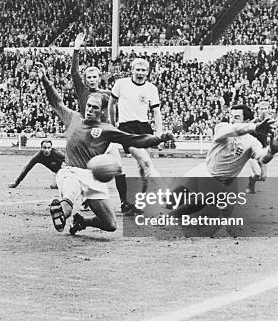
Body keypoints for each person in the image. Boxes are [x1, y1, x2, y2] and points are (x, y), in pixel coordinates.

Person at [35, 62, 174, 235]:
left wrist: (159, 138)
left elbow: (138, 140)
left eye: (94, 107)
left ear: (102, 111)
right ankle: (60, 213)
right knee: (69, 197)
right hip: (70, 171)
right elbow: (56, 101)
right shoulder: (73, 118)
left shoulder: (107, 130)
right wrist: (45, 80)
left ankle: (83, 221)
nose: (89, 109)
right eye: (88, 105)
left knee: (110, 225)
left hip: (92, 177)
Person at [168, 104, 278, 218]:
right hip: (203, 170)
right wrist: (254, 127)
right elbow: (235, 129)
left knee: (201, 200)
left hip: (219, 181)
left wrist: (271, 151)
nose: (231, 120)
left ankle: (170, 216)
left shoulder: (252, 142)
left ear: (246, 120)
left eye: (236, 117)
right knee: (169, 202)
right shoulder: (222, 127)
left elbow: (262, 158)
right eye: (231, 116)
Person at [70, 32, 125, 210]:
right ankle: (87, 199)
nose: (92, 80)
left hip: (105, 137)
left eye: (95, 77)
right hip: (87, 137)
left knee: (118, 168)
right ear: (86, 80)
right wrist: (76, 49)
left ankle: (125, 202)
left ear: (99, 78)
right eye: (89, 77)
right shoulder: (82, 92)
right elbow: (74, 72)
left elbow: (117, 107)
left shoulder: (108, 95)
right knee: (88, 168)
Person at [108, 58, 168, 214]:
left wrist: (159, 135)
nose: (140, 73)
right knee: (147, 163)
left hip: (144, 127)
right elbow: (111, 104)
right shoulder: (121, 84)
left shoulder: (151, 88)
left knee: (143, 168)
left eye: (143, 70)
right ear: (132, 70)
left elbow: (156, 112)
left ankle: (139, 202)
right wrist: (113, 125)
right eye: (138, 70)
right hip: (127, 128)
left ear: (147, 72)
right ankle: (167, 197)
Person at [245, 101, 273, 193]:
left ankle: (251, 180)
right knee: (257, 173)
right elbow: (245, 134)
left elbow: (273, 135)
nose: (263, 111)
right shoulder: (254, 122)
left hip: (263, 151)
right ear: (258, 110)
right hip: (252, 152)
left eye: (265, 109)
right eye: (261, 109)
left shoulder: (269, 122)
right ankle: (250, 186)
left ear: (268, 110)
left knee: (263, 177)